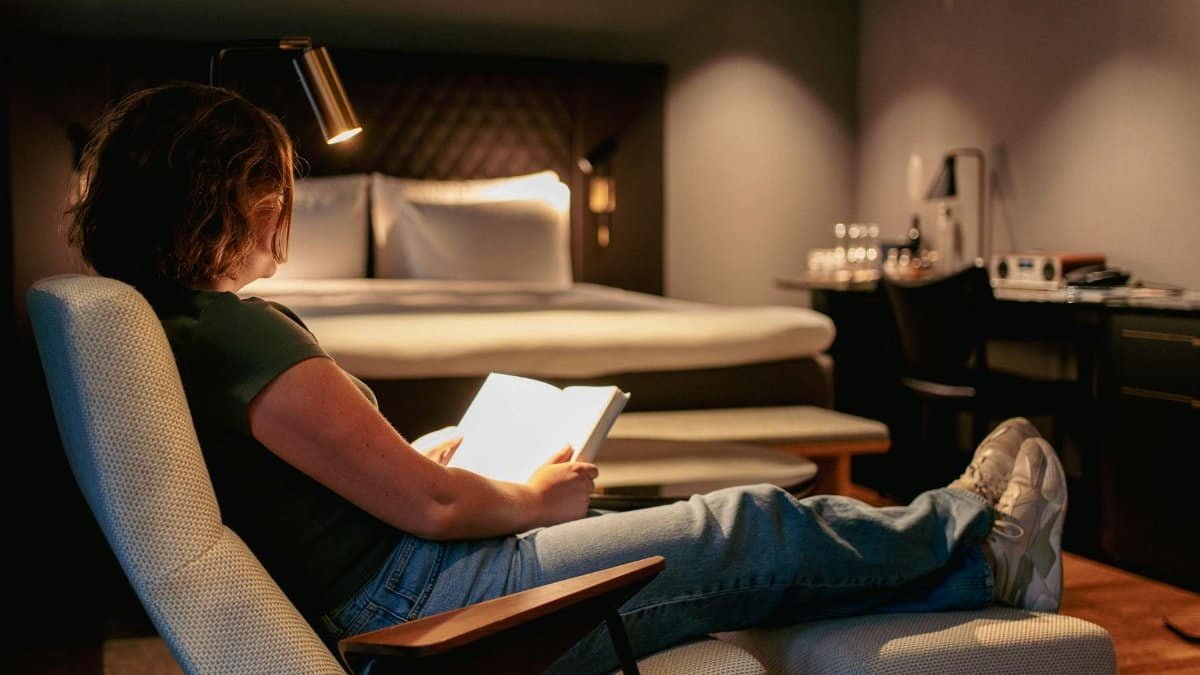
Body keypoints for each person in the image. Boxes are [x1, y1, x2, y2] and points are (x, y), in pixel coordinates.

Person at [66, 83, 1068, 674]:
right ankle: (969, 531)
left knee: (722, 528)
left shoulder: (173, 324)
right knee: (745, 521)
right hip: (429, 601)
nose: (285, 205)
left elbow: (327, 481)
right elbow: (431, 505)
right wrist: (525, 493)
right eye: (274, 186)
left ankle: (967, 562)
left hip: (391, 585)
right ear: (225, 198)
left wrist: (414, 455)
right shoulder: (232, 336)